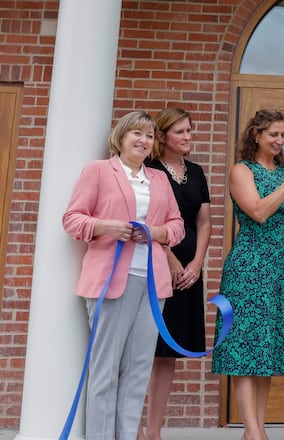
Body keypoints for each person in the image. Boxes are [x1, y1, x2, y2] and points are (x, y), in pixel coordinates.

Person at [62, 111, 185, 440]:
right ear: (121, 136)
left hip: (152, 283)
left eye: (148, 135)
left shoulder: (159, 179)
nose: (143, 140)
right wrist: (105, 226)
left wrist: (155, 232)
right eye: (136, 133)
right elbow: (72, 218)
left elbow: (177, 227)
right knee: (105, 371)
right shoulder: (99, 171)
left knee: (138, 371)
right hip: (110, 282)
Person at [210, 109, 284, 440]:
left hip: (278, 270)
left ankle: (255, 430)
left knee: (264, 350)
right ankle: (255, 432)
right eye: (273, 135)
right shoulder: (242, 170)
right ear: (256, 135)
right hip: (249, 268)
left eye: (282, 135)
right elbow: (259, 212)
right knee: (244, 349)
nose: (279, 141)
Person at [138, 107, 210, 440]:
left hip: (189, 272)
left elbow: (204, 221)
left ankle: (154, 432)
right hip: (154, 263)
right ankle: (131, 426)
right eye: (180, 132)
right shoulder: (148, 169)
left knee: (167, 354)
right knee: (143, 348)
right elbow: (146, 216)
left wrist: (197, 263)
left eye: (190, 131)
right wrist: (167, 257)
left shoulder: (196, 172)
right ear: (163, 136)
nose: (188, 137)